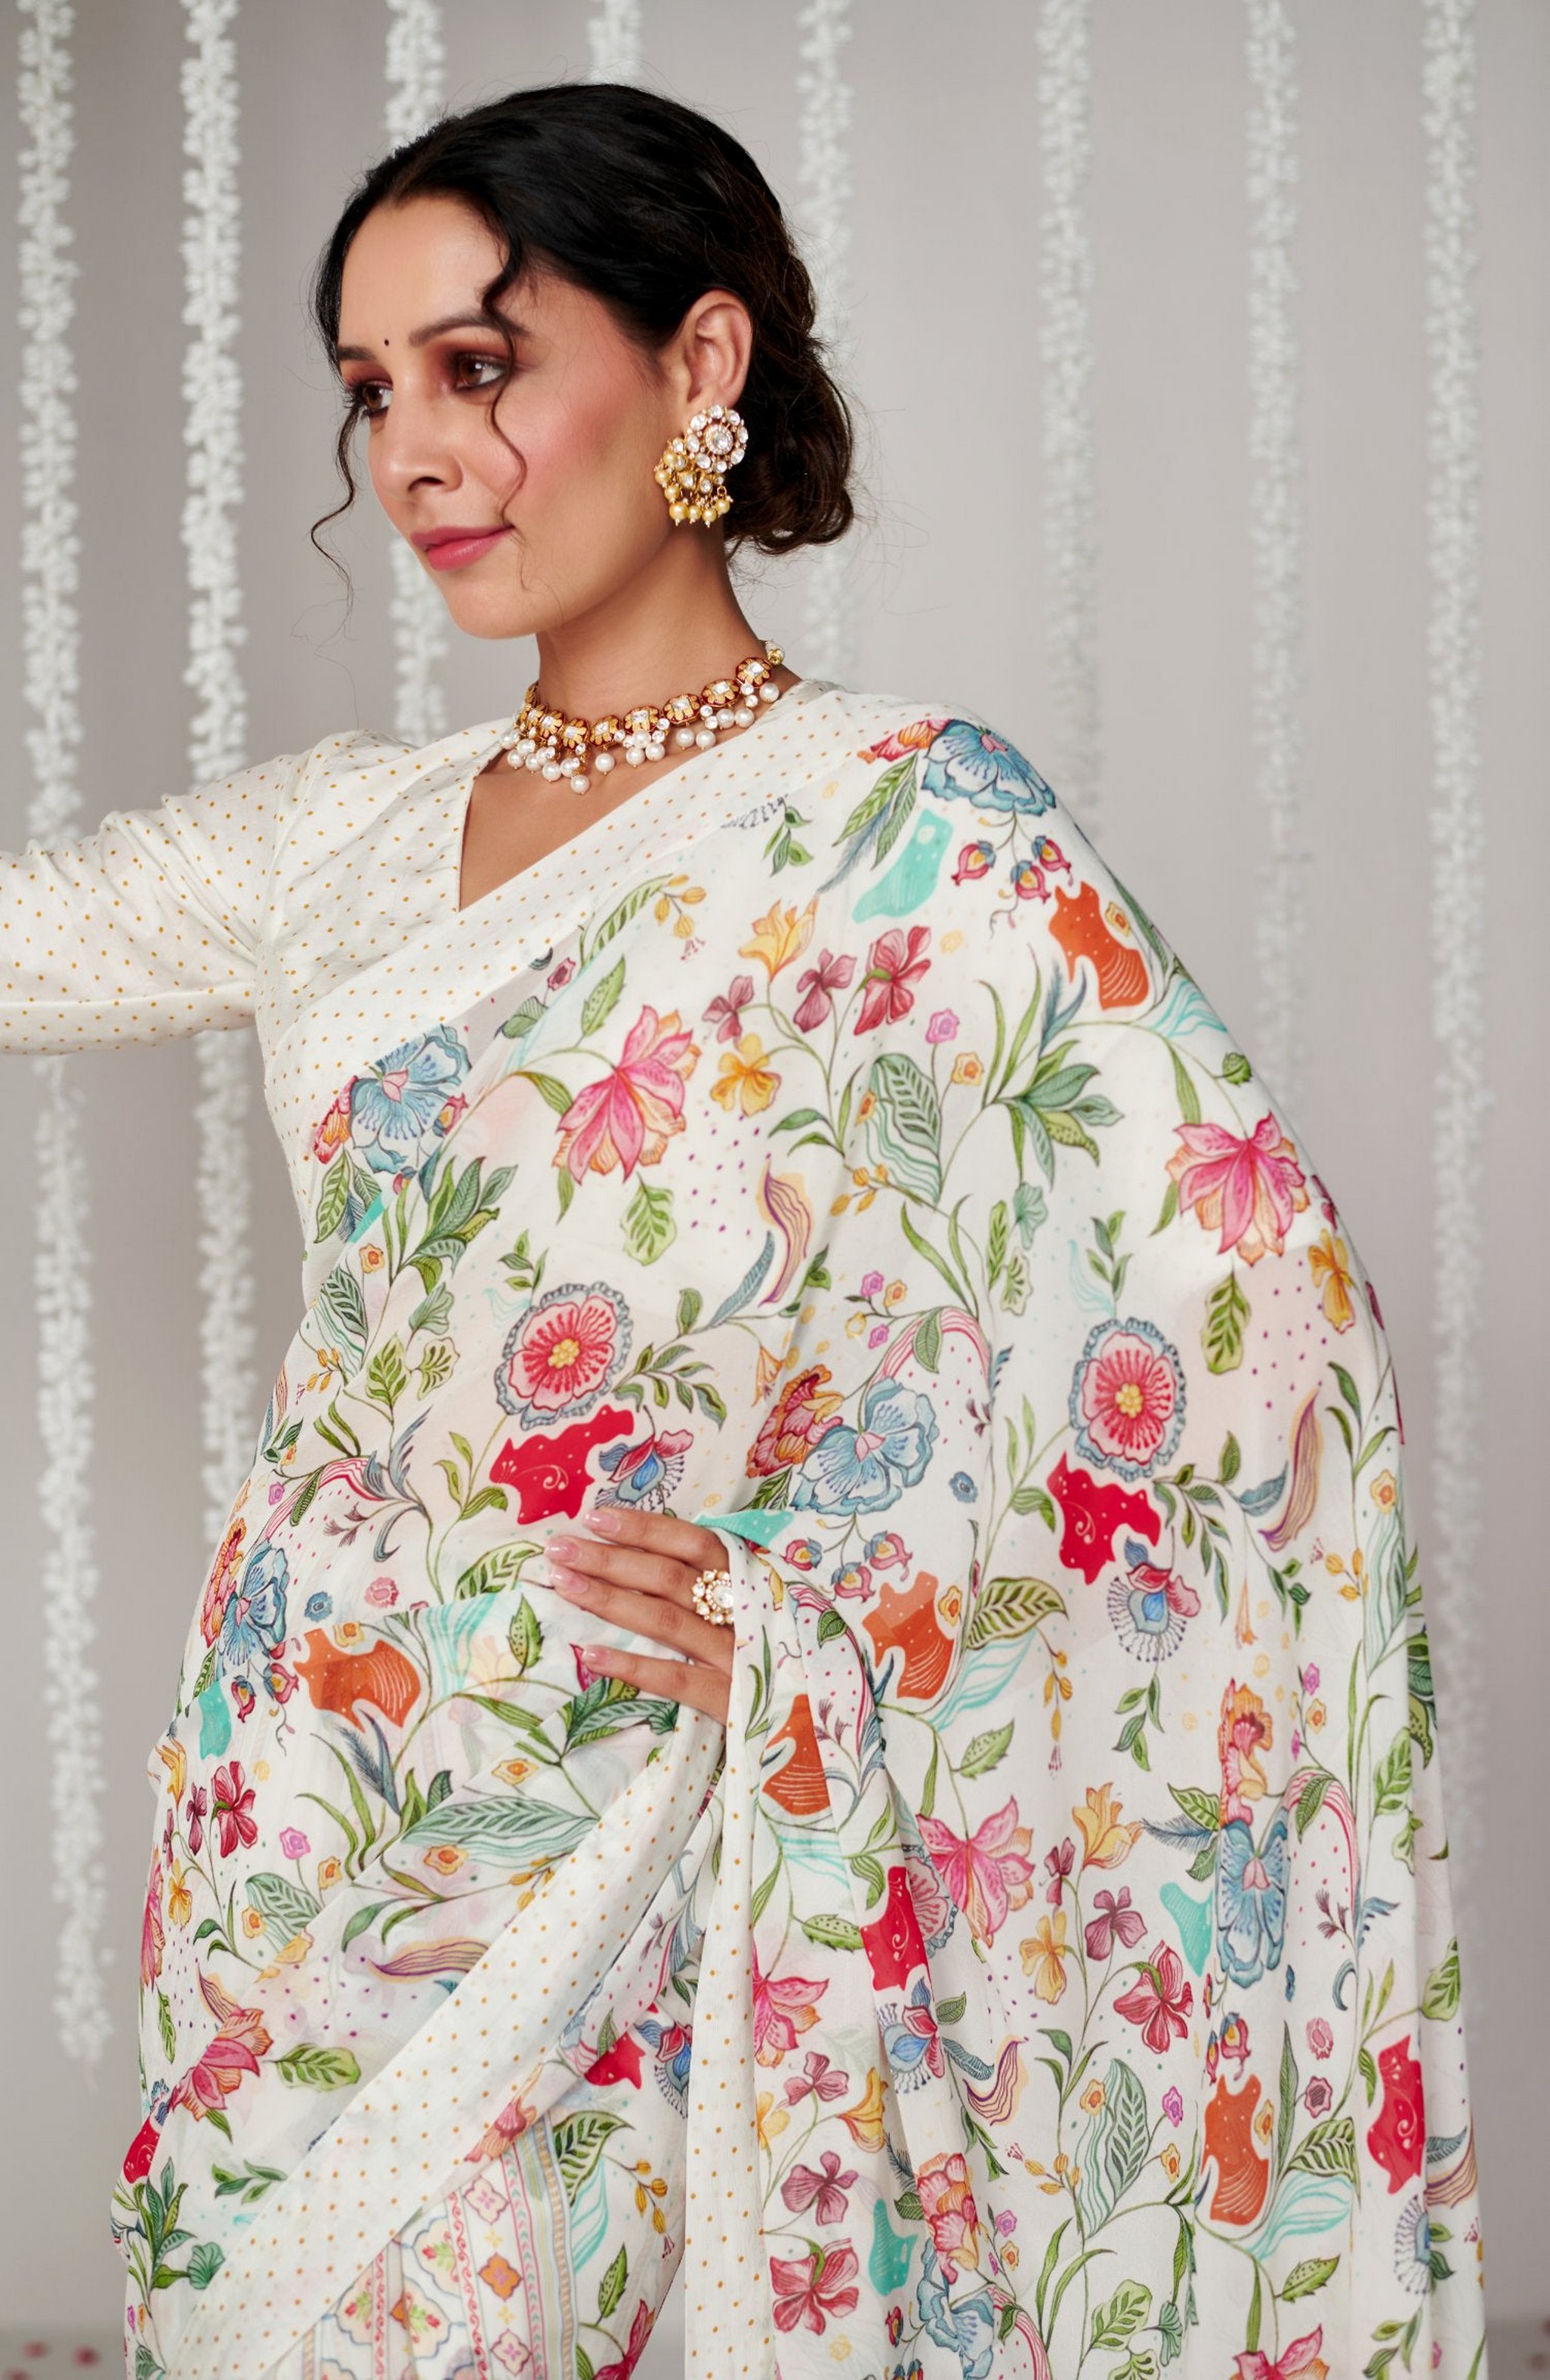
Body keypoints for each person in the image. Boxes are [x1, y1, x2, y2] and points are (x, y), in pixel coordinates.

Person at [0, 80, 1484, 2380]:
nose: (415, 454)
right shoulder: (336, 848)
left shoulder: (915, 836)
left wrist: (830, 1623)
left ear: (700, 361)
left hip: (684, 1842)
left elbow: (1250, 1354)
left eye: (480, 366)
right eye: (374, 391)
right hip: (308, 1828)